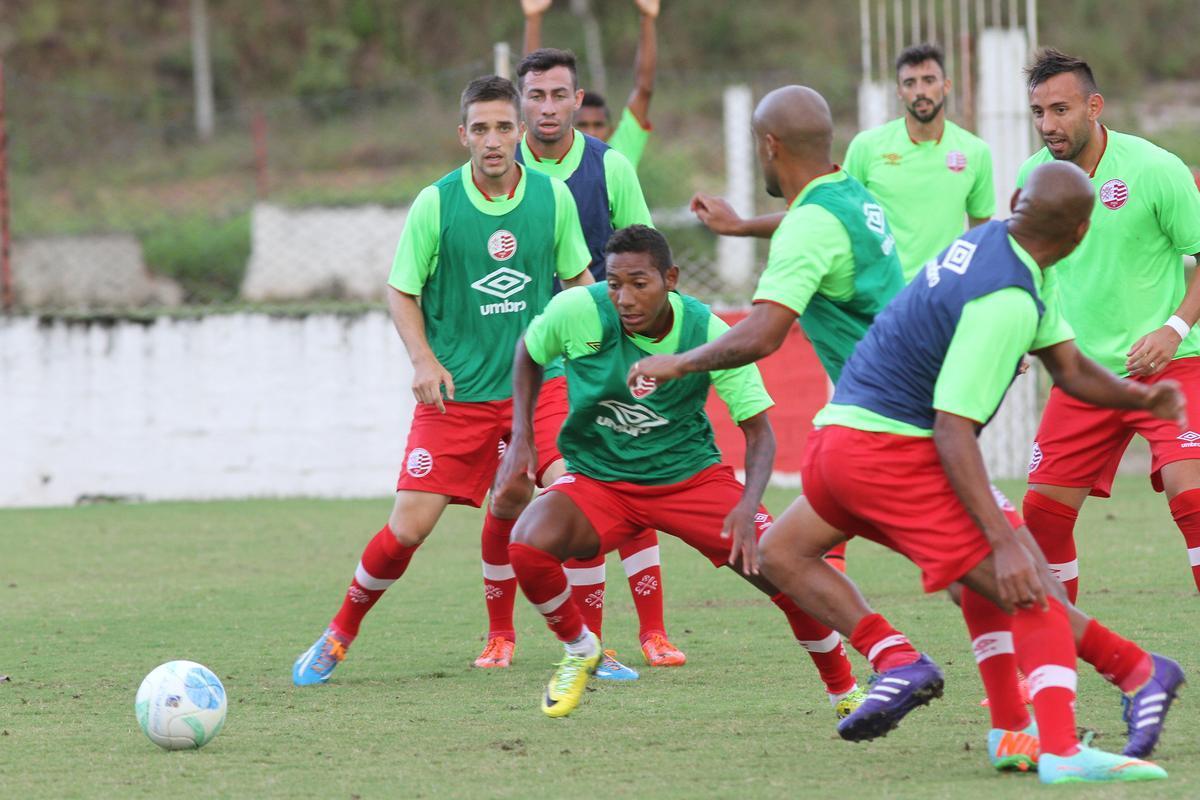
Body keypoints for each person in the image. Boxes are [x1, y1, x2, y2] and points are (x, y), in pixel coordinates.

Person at [752, 161, 1184, 784]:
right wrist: (1006, 544)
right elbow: (953, 428)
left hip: (839, 440)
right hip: (893, 454)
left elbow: (1069, 367)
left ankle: (986, 708)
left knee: (782, 552)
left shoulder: (986, 243)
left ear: (1012, 201)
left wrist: (1141, 399)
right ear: (1084, 233)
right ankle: (1069, 740)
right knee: (1024, 578)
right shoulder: (1006, 298)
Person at [292, 75, 592, 686]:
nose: (493, 140)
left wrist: (603, 352)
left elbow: (579, 284)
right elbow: (401, 290)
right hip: (457, 396)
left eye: (504, 127)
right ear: (463, 136)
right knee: (408, 529)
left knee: (571, 497)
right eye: (480, 129)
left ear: (521, 132)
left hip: (537, 388)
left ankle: (582, 645)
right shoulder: (436, 203)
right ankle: (339, 632)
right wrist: (424, 361)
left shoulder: (553, 198)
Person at [498, 224, 863, 719]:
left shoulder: (708, 331)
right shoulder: (577, 310)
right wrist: (521, 435)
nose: (624, 297)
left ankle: (844, 692)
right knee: (525, 543)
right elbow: (527, 352)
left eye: (639, 283)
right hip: (600, 480)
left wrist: (748, 505)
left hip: (690, 480)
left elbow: (759, 432)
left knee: (784, 574)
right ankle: (581, 648)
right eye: (614, 283)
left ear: (670, 278)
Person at [626, 84, 904, 573]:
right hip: (892, 407)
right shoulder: (851, 194)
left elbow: (763, 334)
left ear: (770, 145)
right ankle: (891, 651)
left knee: (787, 553)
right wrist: (741, 226)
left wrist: (680, 362)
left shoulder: (809, 226)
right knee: (791, 551)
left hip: (882, 423)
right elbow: (812, 222)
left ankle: (895, 650)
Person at [493, 45, 678, 678]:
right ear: (521, 102)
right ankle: (536, 638)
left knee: (626, 480)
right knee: (540, 491)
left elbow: (645, 259)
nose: (547, 107)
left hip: (602, 355)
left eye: (558, 95)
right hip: (526, 359)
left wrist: (649, 347)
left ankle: (648, 634)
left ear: (578, 101)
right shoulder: (497, 164)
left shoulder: (611, 167)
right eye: (535, 95)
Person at [1016, 49, 1200, 603]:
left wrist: (1172, 327)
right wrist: (1020, 334)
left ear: (1094, 107)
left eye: (1061, 109)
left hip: (1171, 367)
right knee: (1041, 517)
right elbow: (1029, 269)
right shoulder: (1034, 179)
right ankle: (1053, 665)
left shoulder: (1156, 170)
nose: (1048, 125)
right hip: (1083, 375)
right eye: (1038, 112)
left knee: (1192, 499)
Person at [688, 43, 993, 283]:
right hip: (885, 298)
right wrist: (740, 226)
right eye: (910, 82)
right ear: (899, 91)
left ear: (947, 85)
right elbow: (830, 216)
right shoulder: (868, 147)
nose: (921, 90)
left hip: (948, 294)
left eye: (929, 80)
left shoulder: (975, 151)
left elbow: (982, 241)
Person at [522, 0, 659, 169]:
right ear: (570, 125)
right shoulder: (552, 160)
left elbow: (644, 90)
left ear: (611, 130)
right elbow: (535, 81)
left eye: (598, 125)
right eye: (583, 125)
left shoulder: (619, 152)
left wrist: (648, 17)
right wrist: (533, 18)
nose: (591, 132)